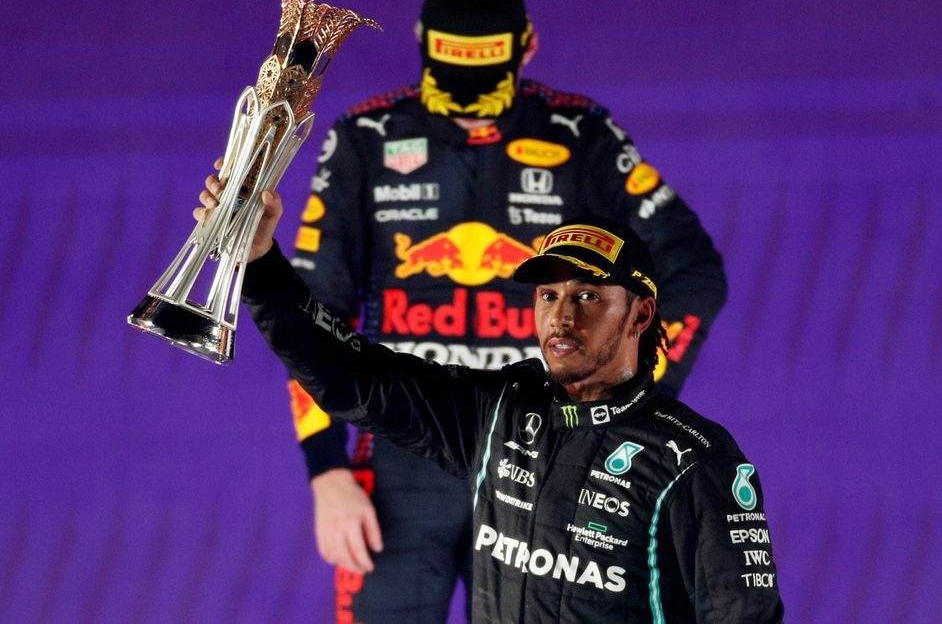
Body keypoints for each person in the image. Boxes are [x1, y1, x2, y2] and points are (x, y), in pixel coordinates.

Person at [283, 0, 727, 622]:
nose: (468, 102)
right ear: (420, 42)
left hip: (544, 451)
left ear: (528, 46)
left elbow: (693, 273)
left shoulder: (582, 136)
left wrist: (626, 400)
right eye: (451, 73)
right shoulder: (364, 139)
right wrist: (325, 468)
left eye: (485, 77)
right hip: (403, 449)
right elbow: (311, 313)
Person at [197, 173, 782, 620]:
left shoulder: (696, 460)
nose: (561, 317)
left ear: (642, 314)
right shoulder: (501, 408)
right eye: (548, 296)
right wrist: (260, 263)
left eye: (588, 297)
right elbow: (353, 378)